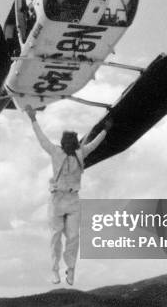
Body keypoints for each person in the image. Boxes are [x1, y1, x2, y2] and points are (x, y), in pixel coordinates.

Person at [24, 105, 112, 285]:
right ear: (64, 144)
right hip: (57, 199)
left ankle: (70, 270)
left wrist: (105, 130)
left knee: (73, 237)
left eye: (73, 142)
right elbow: (42, 139)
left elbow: (94, 144)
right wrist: (33, 119)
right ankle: (55, 270)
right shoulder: (55, 152)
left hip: (73, 200)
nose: (71, 145)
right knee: (55, 236)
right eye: (68, 142)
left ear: (76, 143)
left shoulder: (81, 153)